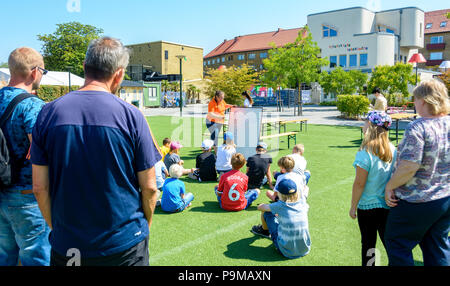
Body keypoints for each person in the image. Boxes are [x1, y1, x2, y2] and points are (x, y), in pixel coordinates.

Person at [31, 37, 161, 266]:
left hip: (69, 246)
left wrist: (57, 228)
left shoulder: (48, 113)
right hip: (124, 244)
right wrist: (144, 227)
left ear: (84, 67)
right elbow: (150, 187)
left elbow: (40, 188)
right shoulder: (131, 116)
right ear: (119, 74)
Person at [384, 79, 450, 266]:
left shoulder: (419, 127)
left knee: (398, 244)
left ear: (424, 101)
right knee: (437, 246)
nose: (414, 103)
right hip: (445, 199)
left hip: (416, 200)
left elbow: (409, 166)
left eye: (415, 99)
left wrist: (390, 185)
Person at [0, 47, 51, 266]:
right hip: (25, 194)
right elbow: (42, 151)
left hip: (1, 189)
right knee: (37, 258)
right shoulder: (32, 105)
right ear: (34, 72)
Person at [349, 110, 396, 266]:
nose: (363, 125)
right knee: (391, 244)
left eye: (365, 122)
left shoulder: (365, 151)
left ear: (371, 126)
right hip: (388, 205)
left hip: (367, 207)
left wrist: (353, 207)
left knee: (369, 244)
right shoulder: (392, 149)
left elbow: (359, 183)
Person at [251, 178, 311, 259]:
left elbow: (260, 207)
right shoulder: (302, 201)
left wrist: (262, 205)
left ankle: (264, 231)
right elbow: (307, 188)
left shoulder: (280, 205)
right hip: (305, 249)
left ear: (279, 193)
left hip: (286, 251)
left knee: (267, 213)